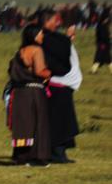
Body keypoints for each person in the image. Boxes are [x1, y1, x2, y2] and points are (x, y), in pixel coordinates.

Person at [7, 25, 52, 166]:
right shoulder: (37, 50)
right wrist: (50, 73)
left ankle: (21, 157)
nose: (42, 37)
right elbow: (39, 71)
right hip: (34, 92)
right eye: (40, 34)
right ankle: (37, 157)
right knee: (38, 124)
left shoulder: (19, 52)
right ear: (33, 36)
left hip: (19, 93)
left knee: (23, 126)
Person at [40, 9, 80, 163]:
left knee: (62, 121)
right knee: (59, 122)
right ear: (48, 21)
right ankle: (57, 154)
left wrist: (67, 38)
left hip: (59, 85)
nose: (57, 23)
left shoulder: (49, 37)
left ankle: (59, 153)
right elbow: (59, 53)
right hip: (55, 85)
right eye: (54, 20)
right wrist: (67, 39)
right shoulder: (47, 38)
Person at [92, 9, 111, 73]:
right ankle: (93, 70)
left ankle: (93, 70)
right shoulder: (102, 26)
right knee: (106, 58)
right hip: (103, 44)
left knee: (99, 58)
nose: (107, 20)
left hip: (101, 44)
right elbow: (103, 36)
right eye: (107, 19)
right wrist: (108, 38)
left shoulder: (100, 25)